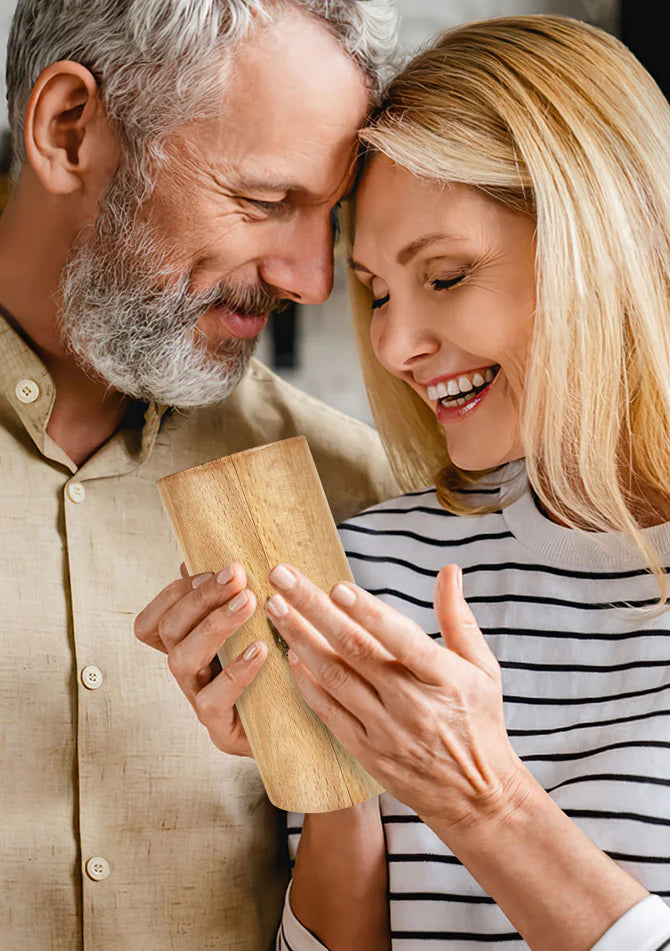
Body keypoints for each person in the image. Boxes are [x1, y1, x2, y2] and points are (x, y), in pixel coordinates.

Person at [141, 14, 670, 951]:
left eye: (444, 276)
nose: (395, 345)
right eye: (377, 291)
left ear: (607, 246)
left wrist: (483, 801)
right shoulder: (373, 560)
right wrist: (335, 773)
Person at [0, 1, 401, 949]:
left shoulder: (356, 495)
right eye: (268, 202)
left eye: (329, 214)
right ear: (68, 130)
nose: (313, 279)